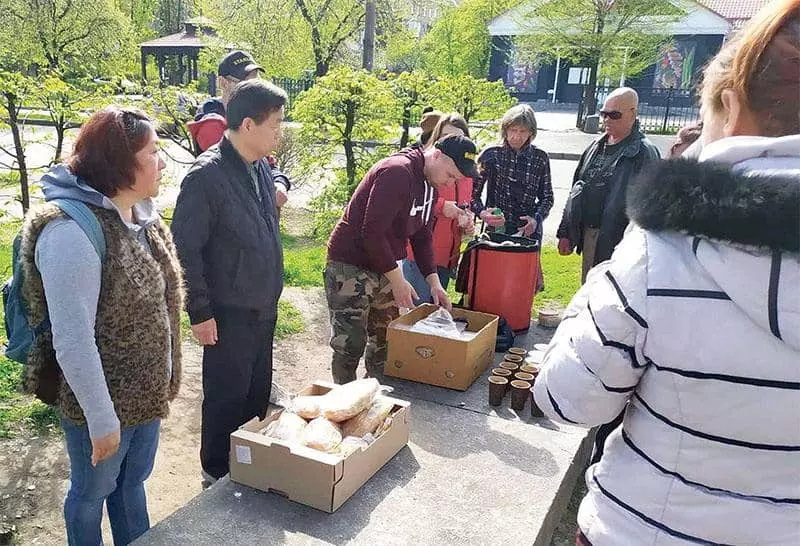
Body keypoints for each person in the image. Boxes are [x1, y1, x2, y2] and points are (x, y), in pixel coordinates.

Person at [535, 1, 800, 544]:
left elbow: (567, 399)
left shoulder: (664, 253)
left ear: (729, 103)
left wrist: (617, 269)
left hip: (647, 526)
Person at [20, 107, 184, 545]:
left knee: (132, 486)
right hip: (100, 405)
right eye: (153, 151)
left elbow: (161, 307)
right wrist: (101, 419)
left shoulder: (141, 217)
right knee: (91, 494)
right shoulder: (70, 233)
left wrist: (166, 375)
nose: (162, 161)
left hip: (145, 397)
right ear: (119, 162)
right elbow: (73, 341)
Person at [171, 80, 288, 484]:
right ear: (248, 125)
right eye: (275, 123)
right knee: (226, 397)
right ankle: (215, 473)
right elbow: (185, 249)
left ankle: (247, 467)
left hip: (262, 308)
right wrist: (200, 311)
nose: (281, 131)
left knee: (256, 393)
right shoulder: (207, 176)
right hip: (228, 312)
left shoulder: (258, 167)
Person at [325, 134, 479, 383]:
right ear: (436, 155)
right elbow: (372, 233)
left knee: (386, 336)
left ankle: (374, 393)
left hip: (384, 264)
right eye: (450, 175)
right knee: (350, 341)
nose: (450, 183)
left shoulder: (430, 183)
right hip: (350, 264)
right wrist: (398, 281)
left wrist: (434, 283)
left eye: (456, 180)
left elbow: (421, 235)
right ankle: (342, 399)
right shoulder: (397, 172)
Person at [556, 87, 660, 283]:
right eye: (604, 114)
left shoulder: (644, 153)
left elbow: (651, 207)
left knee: (613, 294)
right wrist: (566, 232)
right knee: (589, 289)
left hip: (620, 240)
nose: (607, 120)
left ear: (633, 113)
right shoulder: (595, 146)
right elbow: (575, 190)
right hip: (590, 234)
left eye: (614, 115)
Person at [188, 50, 291, 211]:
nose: (254, 92)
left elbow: (267, 163)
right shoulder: (211, 124)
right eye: (245, 84)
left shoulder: (251, 117)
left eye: (256, 83)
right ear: (223, 83)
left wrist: (279, 183)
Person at [402, 114, 475, 304]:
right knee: (417, 311)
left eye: (458, 138)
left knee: (433, 310)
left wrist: (466, 221)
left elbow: (466, 204)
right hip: (419, 254)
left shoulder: (466, 174)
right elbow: (411, 198)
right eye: (446, 137)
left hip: (447, 255)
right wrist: (442, 207)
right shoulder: (426, 165)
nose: (452, 142)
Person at [472, 104, 554, 242]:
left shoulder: (540, 157)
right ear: (505, 130)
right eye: (513, 130)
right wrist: (483, 213)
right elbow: (472, 194)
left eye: (523, 131)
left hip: (527, 230)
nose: (517, 136)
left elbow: (547, 197)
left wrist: (536, 218)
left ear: (531, 133)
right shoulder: (491, 154)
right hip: (496, 228)